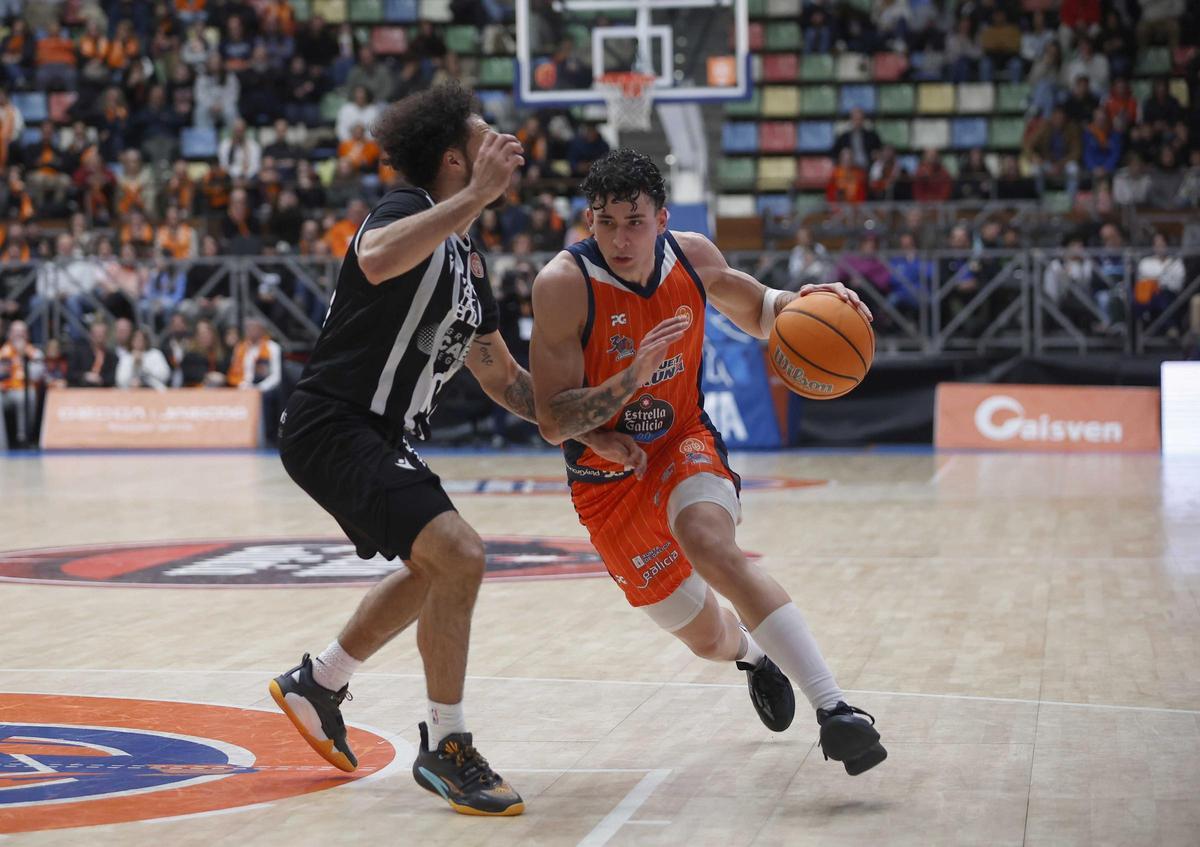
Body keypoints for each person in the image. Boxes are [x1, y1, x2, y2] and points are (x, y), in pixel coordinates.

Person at [529, 148, 888, 777]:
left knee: (709, 543)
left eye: (634, 221)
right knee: (705, 639)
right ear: (590, 221)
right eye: (605, 222)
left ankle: (836, 709)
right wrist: (631, 377)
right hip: (604, 484)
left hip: (680, 440)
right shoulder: (563, 286)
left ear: (662, 219)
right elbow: (554, 420)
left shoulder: (691, 256)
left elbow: (757, 309)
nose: (620, 237)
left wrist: (803, 304)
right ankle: (753, 656)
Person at [269, 82, 573, 817]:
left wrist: (585, 422)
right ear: (451, 161)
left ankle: (320, 681)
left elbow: (505, 381)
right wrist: (474, 198)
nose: (502, 145)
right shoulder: (405, 212)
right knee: (461, 554)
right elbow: (374, 260)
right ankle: (446, 745)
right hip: (332, 420)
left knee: (438, 567)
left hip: (377, 433)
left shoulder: (469, 264)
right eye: (484, 140)